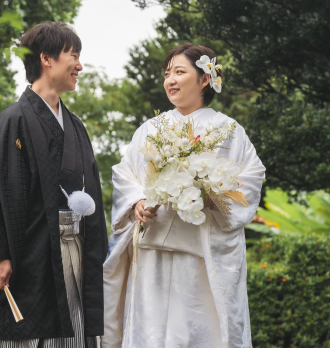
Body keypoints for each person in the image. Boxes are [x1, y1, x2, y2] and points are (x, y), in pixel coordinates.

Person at [103, 43, 265, 348]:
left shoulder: (228, 130)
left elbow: (252, 177)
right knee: (150, 334)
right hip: (153, 252)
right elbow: (126, 173)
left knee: (197, 333)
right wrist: (137, 201)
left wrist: (211, 197)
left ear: (205, 79)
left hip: (200, 256)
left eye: (180, 72)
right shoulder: (151, 129)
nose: (170, 80)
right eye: (167, 74)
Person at [0, 22, 107, 348]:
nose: (80, 66)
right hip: (29, 254)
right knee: (28, 332)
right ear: (47, 58)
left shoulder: (75, 126)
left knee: (73, 328)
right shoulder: (14, 119)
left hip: (73, 251)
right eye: (74, 56)